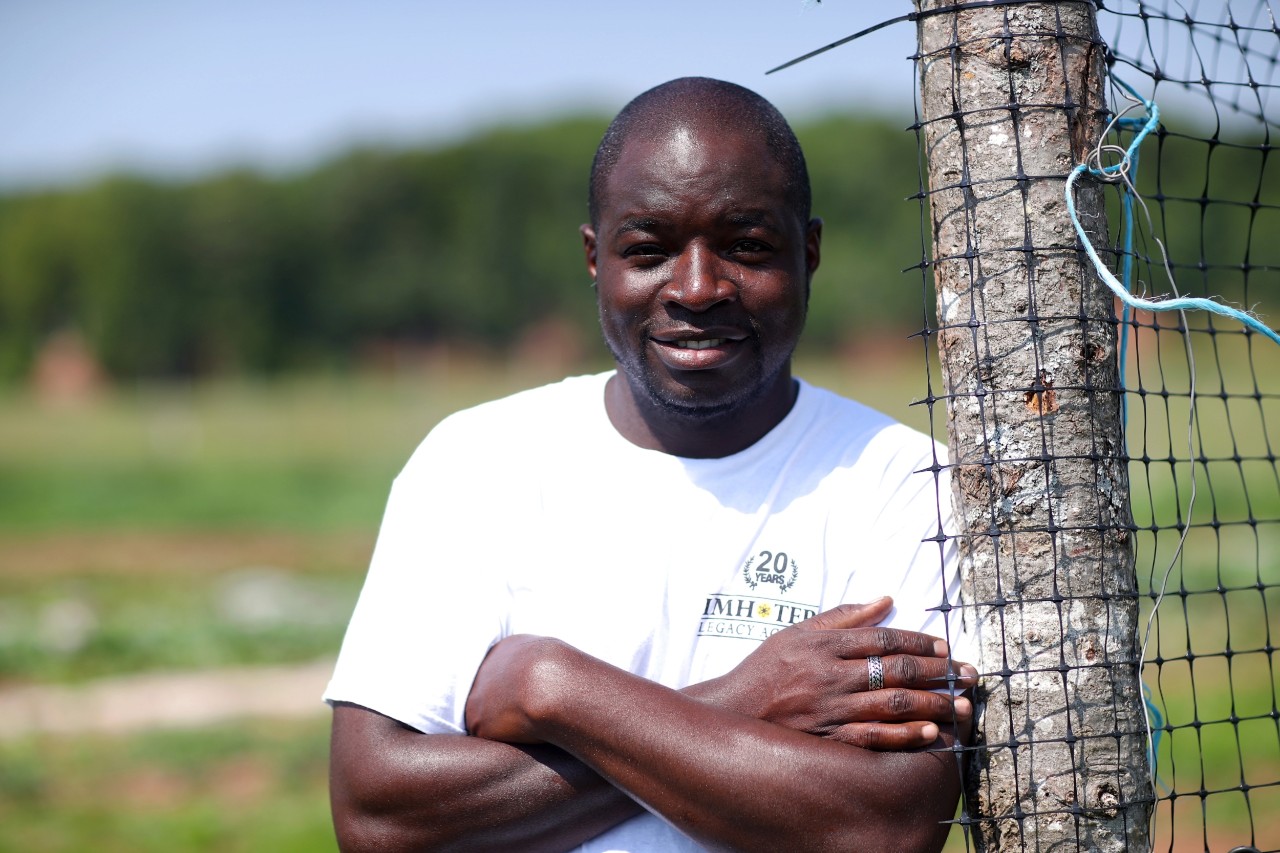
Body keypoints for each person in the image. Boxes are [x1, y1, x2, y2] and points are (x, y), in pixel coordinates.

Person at [325, 77, 974, 853]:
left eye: (747, 245)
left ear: (810, 252)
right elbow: (377, 815)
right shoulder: (475, 463)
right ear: (596, 259)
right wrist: (745, 698)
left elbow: (886, 826)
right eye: (649, 250)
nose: (698, 288)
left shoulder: (906, 484)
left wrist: (555, 688)